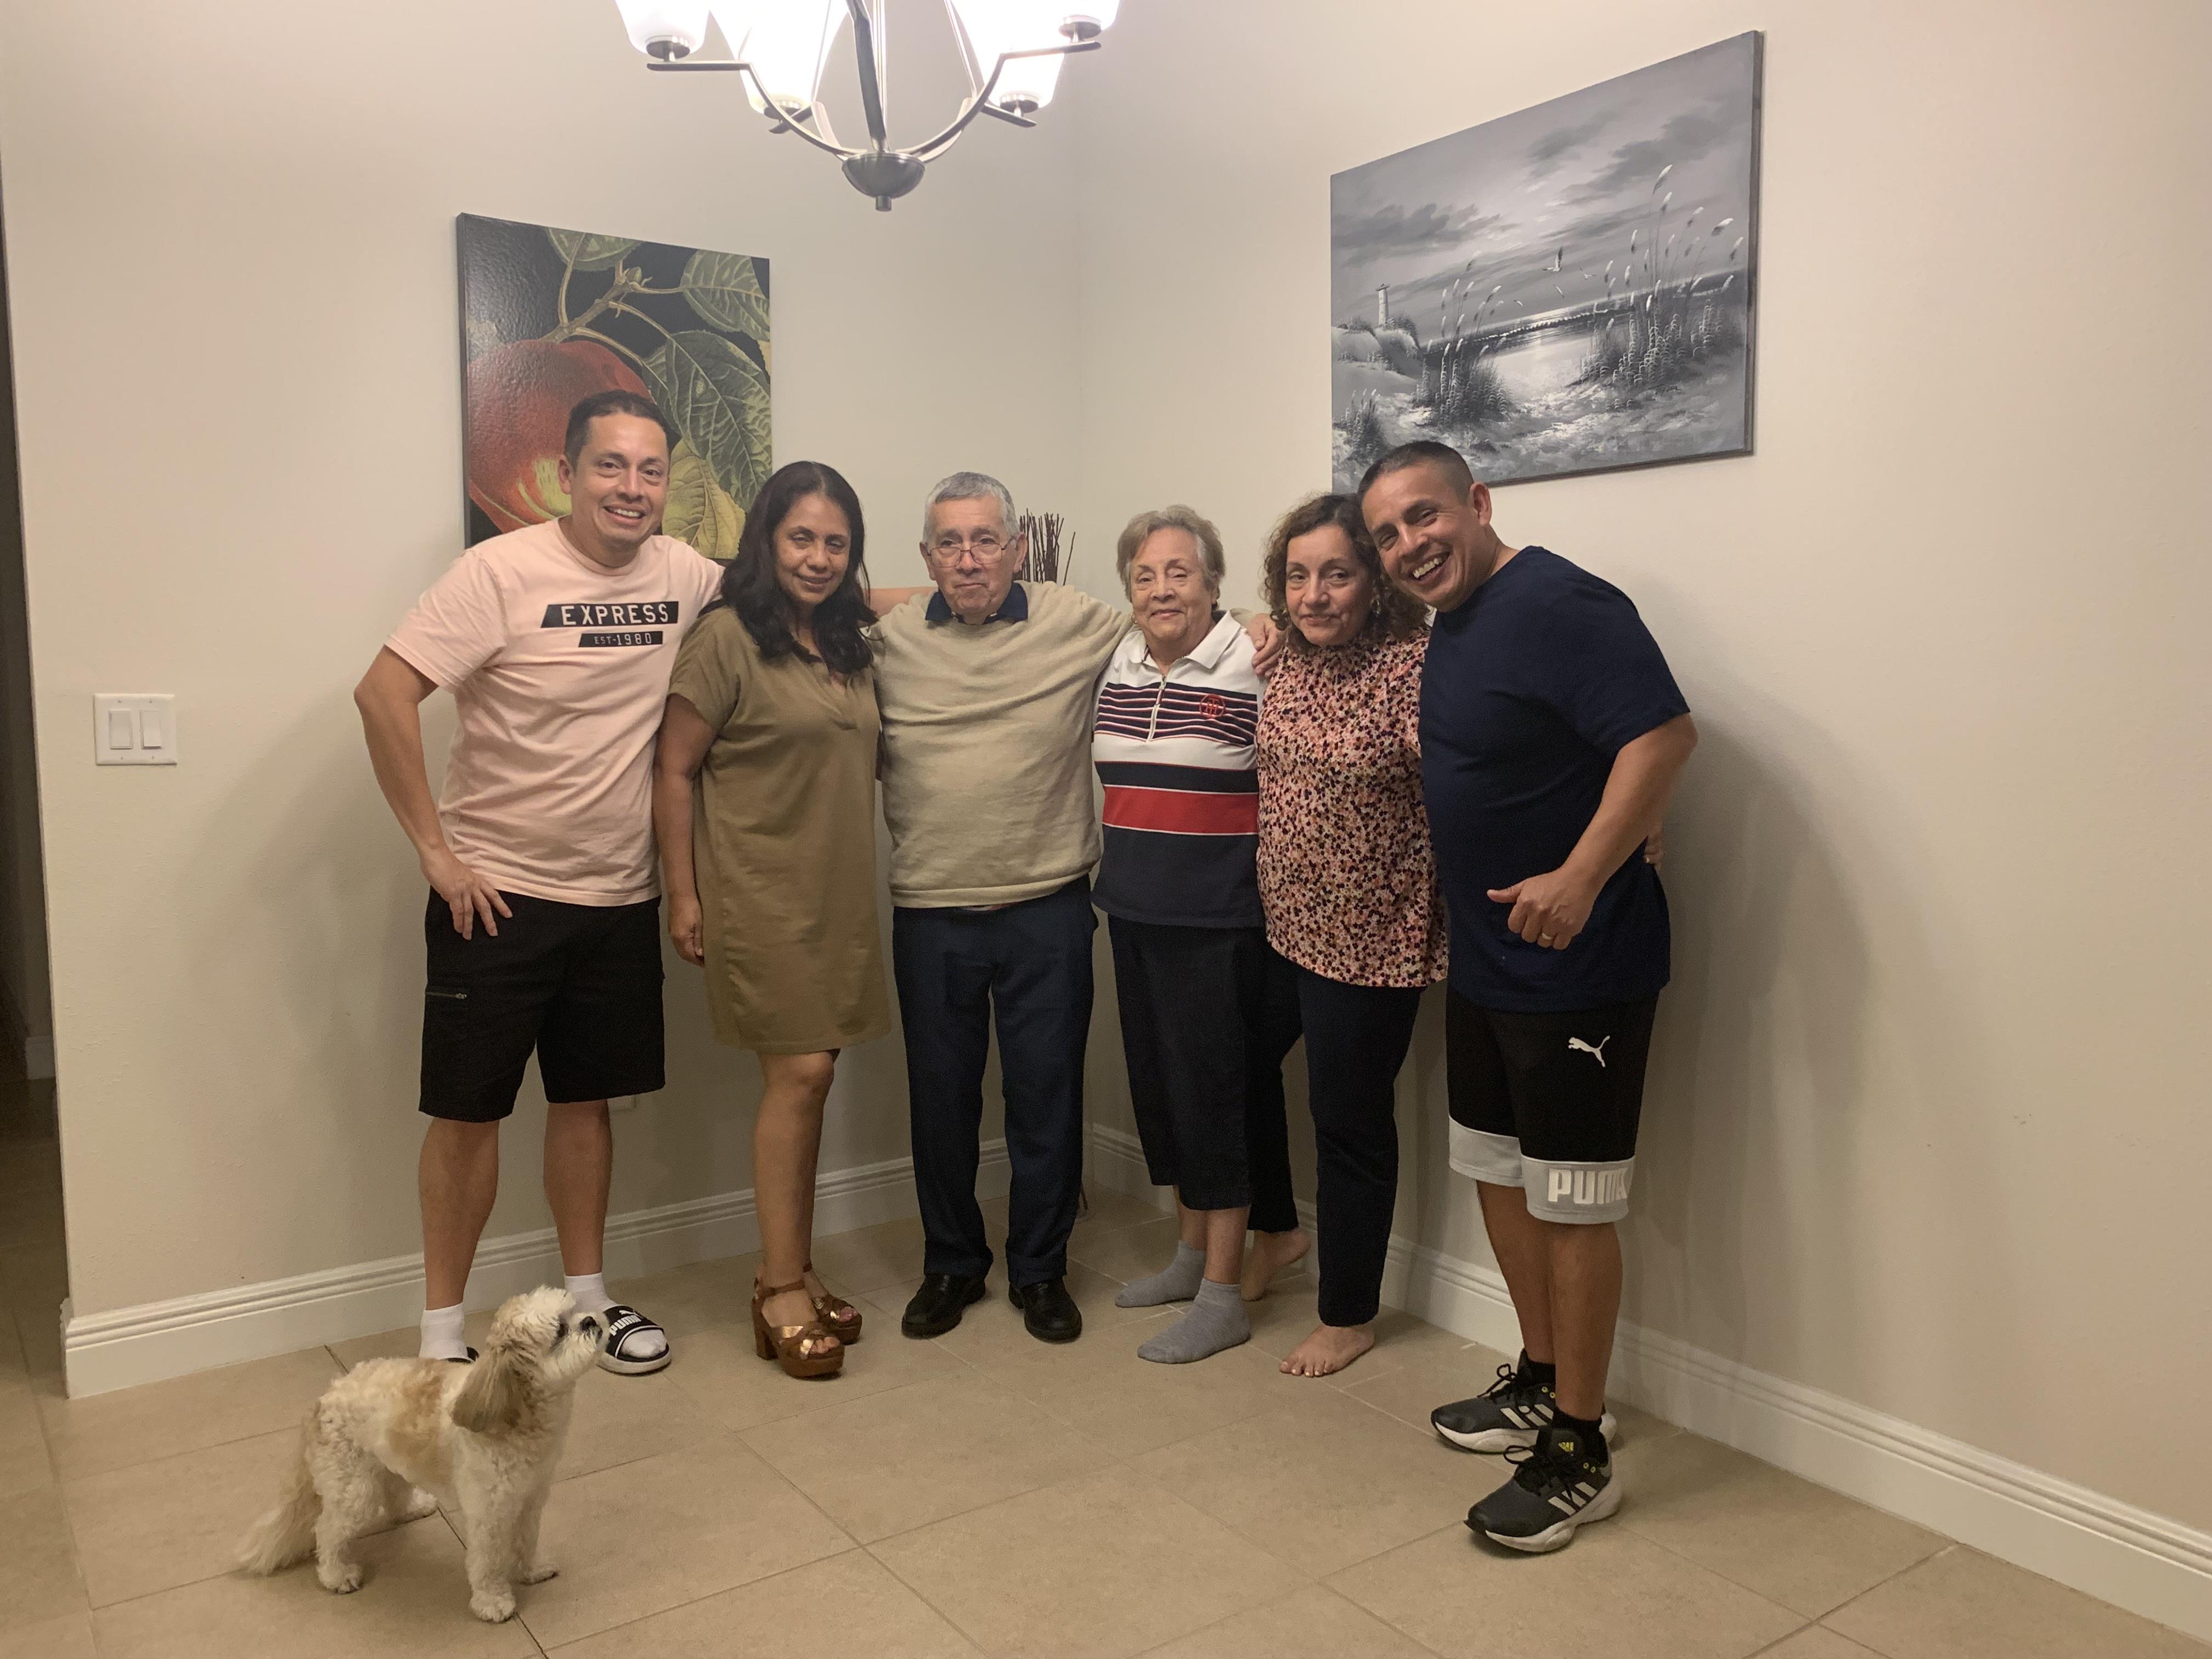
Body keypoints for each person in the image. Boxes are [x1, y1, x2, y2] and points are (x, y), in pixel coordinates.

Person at [1361, 439, 1696, 1555]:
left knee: (1571, 1198)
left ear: (1480, 504)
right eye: (1389, 534)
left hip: (1578, 968)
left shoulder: (1560, 599)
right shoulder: (1451, 625)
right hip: (1490, 962)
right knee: (1499, 1174)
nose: (1411, 545)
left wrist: (1583, 873)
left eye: (1424, 517)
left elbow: (1661, 734)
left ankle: (1581, 1448)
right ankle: (1541, 1383)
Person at [354, 389, 718, 1375]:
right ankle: (440, 1341)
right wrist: (436, 850)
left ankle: (587, 1305)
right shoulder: (498, 571)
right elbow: (383, 691)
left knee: (587, 1104)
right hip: (499, 898)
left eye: (650, 470)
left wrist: (954, 596)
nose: (631, 488)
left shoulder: (684, 573)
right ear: (566, 472)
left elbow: (803, 597)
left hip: (617, 897)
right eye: (611, 466)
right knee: (468, 1113)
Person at [874, 472, 1278, 1345]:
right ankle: (951, 1264)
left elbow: (1188, 612)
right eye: (950, 542)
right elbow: (828, 605)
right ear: (926, 556)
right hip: (930, 909)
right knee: (940, 1104)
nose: (970, 557)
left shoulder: (1083, 621)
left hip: (1050, 906)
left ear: (1019, 547)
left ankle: (1040, 1270)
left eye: (987, 539)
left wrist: (1261, 620)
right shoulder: (890, 637)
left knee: (1046, 1100)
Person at [652, 460, 889, 1380]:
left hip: (837, 895)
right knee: (798, 1074)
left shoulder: (845, 640)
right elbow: (673, 769)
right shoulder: (725, 639)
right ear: (766, 541)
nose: (819, 557)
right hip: (757, 891)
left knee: (815, 1077)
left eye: (837, 542)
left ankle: (787, 1267)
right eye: (802, 538)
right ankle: (780, 1291)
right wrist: (684, 893)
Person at [1092, 506, 1305, 1364]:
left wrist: (1273, 621)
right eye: (1144, 575)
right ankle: (1188, 1258)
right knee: (1164, 1097)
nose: (1161, 588)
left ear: (1215, 582)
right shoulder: (1119, 656)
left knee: (1215, 1101)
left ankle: (1224, 1294)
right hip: (1135, 910)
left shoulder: (1257, 658)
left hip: (1221, 920)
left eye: (1179, 571)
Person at [1254, 493, 1444, 1378]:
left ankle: (1348, 1312)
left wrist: (1634, 814)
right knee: (1237, 1065)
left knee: (1348, 1125)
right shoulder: (1282, 660)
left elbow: (1491, 759)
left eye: (1336, 573)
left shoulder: (1415, 667)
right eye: (1298, 576)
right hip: (1280, 924)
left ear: (1375, 579)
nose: (1314, 595)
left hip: (1371, 944)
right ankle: (1280, 1232)